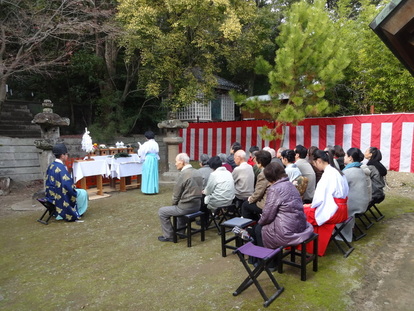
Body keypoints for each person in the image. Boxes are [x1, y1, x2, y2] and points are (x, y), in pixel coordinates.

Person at [250, 162, 314, 249]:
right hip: (300, 224)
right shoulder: (290, 184)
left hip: (287, 230)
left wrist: (260, 222)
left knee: (259, 229)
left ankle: (267, 259)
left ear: (270, 178)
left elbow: (268, 215)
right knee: (261, 227)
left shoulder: (275, 189)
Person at [303, 149, 349, 256]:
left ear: (319, 161)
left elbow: (319, 199)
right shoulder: (337, 172)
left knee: (301, 212)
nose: (315, 166)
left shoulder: (328, 175)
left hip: (334, 211)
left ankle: (304, 244)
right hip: (342, 209)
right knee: (306, 209)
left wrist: (310, 205)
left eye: (314, 163)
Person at [158, 153, 203, 242]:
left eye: (176, 161)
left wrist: (174, 204)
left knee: (162, 211)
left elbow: (176, 194)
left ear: (182, 162)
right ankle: (181, 232)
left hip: (186, 207)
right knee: (179, 210)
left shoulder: (183, 174)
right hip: (197, 205)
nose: (175, 163)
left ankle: (169, 235)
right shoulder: (198, 172)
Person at [45, 143, 88, 221]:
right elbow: (67, 186)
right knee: (83, 192)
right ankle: (78, 212)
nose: (67, 156)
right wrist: (73, 188)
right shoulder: (61, 168)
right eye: (66, 154)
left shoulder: (51, 165)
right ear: (62, 156)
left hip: (51, 195)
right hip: (60, 195)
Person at [339, 148, 371, 242]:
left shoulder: (348, 172)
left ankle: (335, 233)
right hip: (364, 202)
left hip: (355, 205)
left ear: (350, 158)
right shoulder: (359, 169)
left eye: (345, 155)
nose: (344, 157)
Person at [241, 150, 272, 221]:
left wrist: (251, 199)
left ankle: (250, 226)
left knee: (245, 205)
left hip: (266, 203)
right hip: (271, 200)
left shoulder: (263, 174)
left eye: (256, 159)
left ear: (260, 162)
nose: (254, 161)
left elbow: (259, 192)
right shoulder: (272, 169)